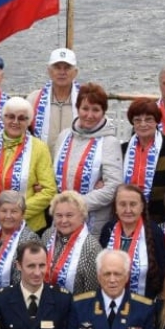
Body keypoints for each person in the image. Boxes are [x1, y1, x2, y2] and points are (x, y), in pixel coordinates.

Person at [52, 82, 122, 230]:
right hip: (62, 218)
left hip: (93, 222)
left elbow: (112, 187)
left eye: (95, 110)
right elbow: (54, 175)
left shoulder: (110, 142)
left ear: (104, 112)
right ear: (77, 109)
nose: (89, 115)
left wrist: (75, 204)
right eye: (85, 108)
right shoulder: (64, 136)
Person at [0, 96, 57, 233]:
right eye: (10, 117)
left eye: (22, 118)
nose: (15, 122)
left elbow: (49, 191)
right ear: (3, 118)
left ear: (29, 121)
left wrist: (15, 213)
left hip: (29, 225)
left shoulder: (39, 148)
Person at [121, 97, 165, 224]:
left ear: (157, 121)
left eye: (148, 119)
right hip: (126, 215)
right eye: (137, 120)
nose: (143, 124)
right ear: (132, 123)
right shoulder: (123, 150)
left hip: (158, 219)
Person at [100, 184, 165, 299]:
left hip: (144, 305)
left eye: (133, 204)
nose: (128, 210)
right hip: (110, 302)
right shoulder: (108, 230)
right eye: (122, 204)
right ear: (115, 208)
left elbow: (163, 274)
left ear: (142, 207)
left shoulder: (155, 233)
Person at [41, 191, 102, 295]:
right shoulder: (47, 235)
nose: (64, 220)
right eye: (59, 215)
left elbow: (92, 293)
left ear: (82, 216)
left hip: (75, 307)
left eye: (69, 215)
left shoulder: (92, 248)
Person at [29, 47, 79, 149]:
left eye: (67, 68)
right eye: (57, 67)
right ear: (49, 71)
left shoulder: (85, 101)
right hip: (42, 162)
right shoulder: (34, 99)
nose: (62, 72)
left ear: (75, 72)